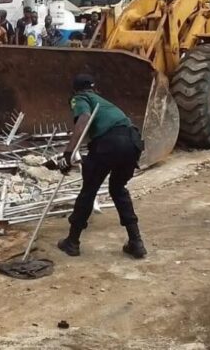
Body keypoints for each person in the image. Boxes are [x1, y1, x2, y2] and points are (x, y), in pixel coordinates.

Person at [51, 74, 146, 259]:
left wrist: (68, 153)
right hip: (132, 143)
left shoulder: (80, 98)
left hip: (110, 143)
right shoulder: (102, 101)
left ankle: (72, 242)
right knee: (118, 189)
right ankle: (136, 241)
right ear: (94, 87)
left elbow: (84, 118)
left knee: (89, 191)